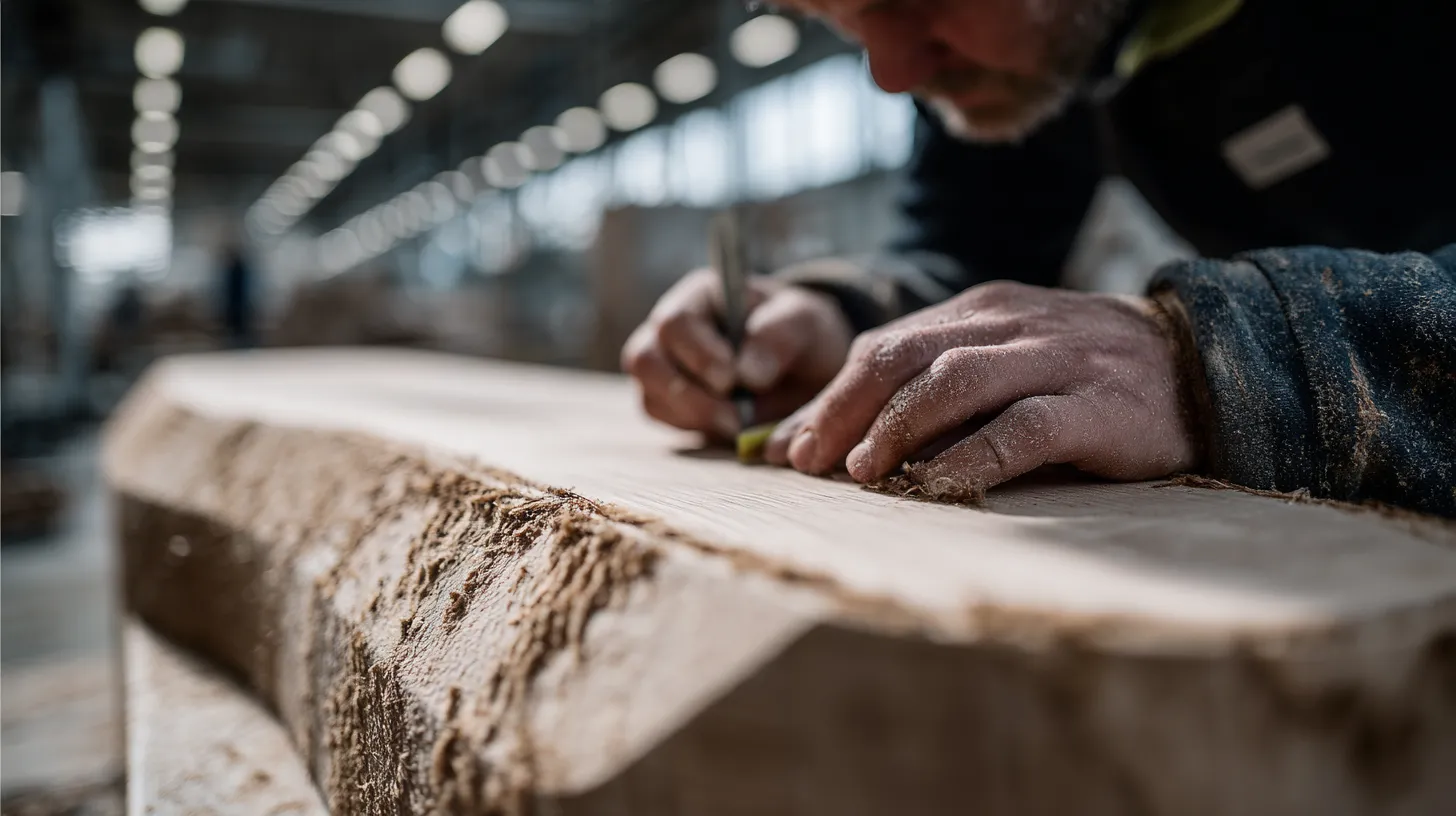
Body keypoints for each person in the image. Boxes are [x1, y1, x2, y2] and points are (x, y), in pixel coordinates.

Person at [622, 0, 1455, 517]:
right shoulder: (1037, 45)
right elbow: (970, 242)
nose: (891, 70)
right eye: (834, 17)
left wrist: (1236, 354)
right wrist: (845, 319)